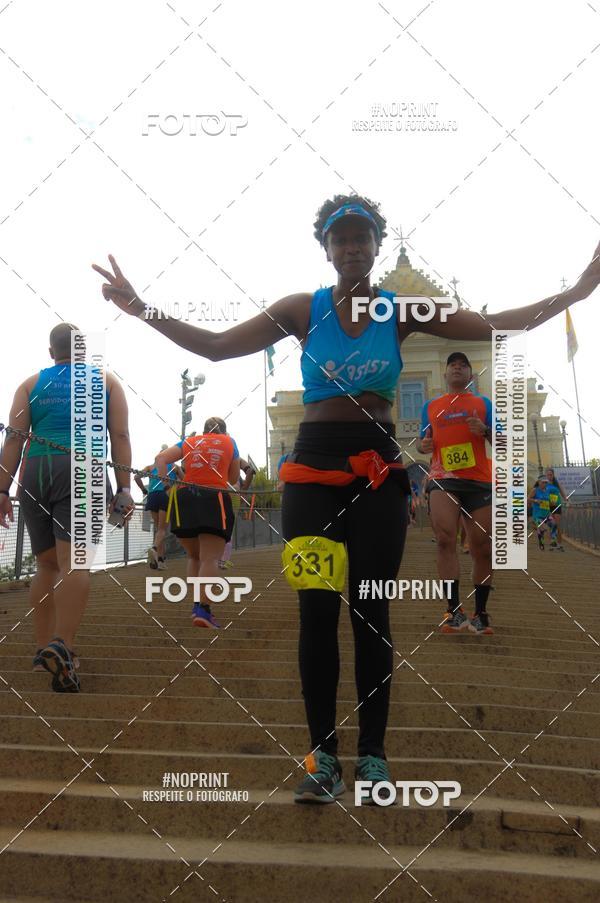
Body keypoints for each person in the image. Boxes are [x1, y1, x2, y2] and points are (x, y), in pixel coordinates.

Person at [93, 195, 600, 803]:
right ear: (327, 248)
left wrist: (576, 292)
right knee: (315, 612)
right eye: (342, 238)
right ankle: (323, 756)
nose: (353, 247)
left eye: (363, 237)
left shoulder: (399, 310)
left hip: (379, 473)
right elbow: (217, 346)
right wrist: (141, 308)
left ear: (376, 246)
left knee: (371, 611)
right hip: (311, 472)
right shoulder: (301, 309)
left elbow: (494, 325)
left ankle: (374, 756)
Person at [0, 324, 133, 692]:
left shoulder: (30, 384)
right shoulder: (106, 381)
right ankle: (64, 648)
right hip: (83, 470)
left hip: (36, 471)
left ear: (51, 352)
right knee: (74, 562)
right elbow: (120, 435)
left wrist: (1, 489)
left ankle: (43, 647)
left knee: (47, 564)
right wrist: (124, 488)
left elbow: (13, 440)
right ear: (83, 350)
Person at [416, 353, 494, 636]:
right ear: (445, 374)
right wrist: (423, 447)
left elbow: (504, 441)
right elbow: (422, 442)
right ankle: (453, 611)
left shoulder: (483, 404)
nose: (457, 368)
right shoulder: (431, 406)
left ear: (470, 376)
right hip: (443, 479)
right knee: (445, 539)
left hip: (478, 481)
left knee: (482, 547)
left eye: (463, 365)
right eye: (453, 365)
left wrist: (485, 430)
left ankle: (480, 613)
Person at [155, 416, 240, 629]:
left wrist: (167, 487)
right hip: (214, 496)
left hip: (184, 497)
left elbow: (160, 458)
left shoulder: (189, 442)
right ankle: (204, 609)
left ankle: (196, 606)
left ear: (204, 431)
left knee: (194, 556)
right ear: (223, 431)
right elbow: (232, 478)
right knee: (210, 558)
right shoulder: (230, 442)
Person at [134, 446, 182, 570]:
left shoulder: (151, 467)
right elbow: (185, 481)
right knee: (162, 530)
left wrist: (144, 490)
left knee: (158, 530)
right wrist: (176, 485)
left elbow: (136, 477)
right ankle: (154, 549)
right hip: (165, 494)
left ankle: (160, 561)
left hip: (152, 496)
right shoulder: (174, 467)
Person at [218, 456, 256, 569]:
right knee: (229, 528)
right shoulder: (237, 458)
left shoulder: (217, 455)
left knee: (216, 526)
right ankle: (224, 560)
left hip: (217, 492)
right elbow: (250, 471)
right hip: (234, 494)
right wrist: (243, 491)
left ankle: (215, 558)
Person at [528, 474, 558, 551]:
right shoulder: (535, 490)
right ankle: (541, 543)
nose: (545, 484)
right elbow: (528, 499)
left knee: (554, 524)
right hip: (538, 514)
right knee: (542, 529)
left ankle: (553, 541)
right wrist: (536, 500)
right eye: (543, 482)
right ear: (539, 482)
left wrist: (552, 502)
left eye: (546, 482)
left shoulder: (547, 490)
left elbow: (549, 501)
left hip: (547, 513)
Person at [545, 467, 567, 550]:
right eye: (548, 475)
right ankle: (552, 542)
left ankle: (559, 544)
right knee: (552, 525)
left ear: (553, 475)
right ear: (546, 475)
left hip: (557, 505)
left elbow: (562, 493)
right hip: (548, 506)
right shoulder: (544, 484)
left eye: (551, 475)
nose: (549, 476)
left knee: (557, 525)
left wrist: (566, 499)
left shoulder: (556, 483)